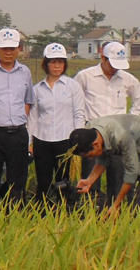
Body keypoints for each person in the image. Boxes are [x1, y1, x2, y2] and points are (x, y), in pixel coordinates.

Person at [74, 41, 140, 200]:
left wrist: (129, 124)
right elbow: (76, 103)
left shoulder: (128, 79)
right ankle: (91, 213)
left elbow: (138, 102)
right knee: (91, 182)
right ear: (102, 57)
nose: (115, 68)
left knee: (118, 180)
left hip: (118, 140)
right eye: (112, 64)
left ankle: (115, 212)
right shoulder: (85, 76)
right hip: (93, 139)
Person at [0, 29, 34, 204]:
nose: (8, 52)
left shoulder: (25, 71)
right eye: (4, 48)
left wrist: (19, 120)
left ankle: (14, 218)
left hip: (18, 134)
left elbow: (28, 100)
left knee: (18, 180)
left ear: (19, 48)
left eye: (12, 48)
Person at [27, 43, 85, 200]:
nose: (57, 65)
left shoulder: (73, 86)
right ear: (46, 64)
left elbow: (79, 113)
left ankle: (64, 213)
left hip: (65, 141)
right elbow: (33, 117)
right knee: (43, 182)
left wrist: (77, 140)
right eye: (53, 61)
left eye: (60, 61)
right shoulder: (37, 89)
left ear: (65, 64)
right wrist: (29, 141)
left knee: (64, 182)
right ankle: (41, 212)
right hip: (42, 140)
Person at [70, 114, 140, 215]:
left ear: (96, 144)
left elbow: (132, 173)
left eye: (89, 155)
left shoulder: (121, 137)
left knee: (137, 199)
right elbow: (103, 158)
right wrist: (89, 181)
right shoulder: (90, 131)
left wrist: (116, 204)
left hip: (134, 138)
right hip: (133, 143)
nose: (90, 159)